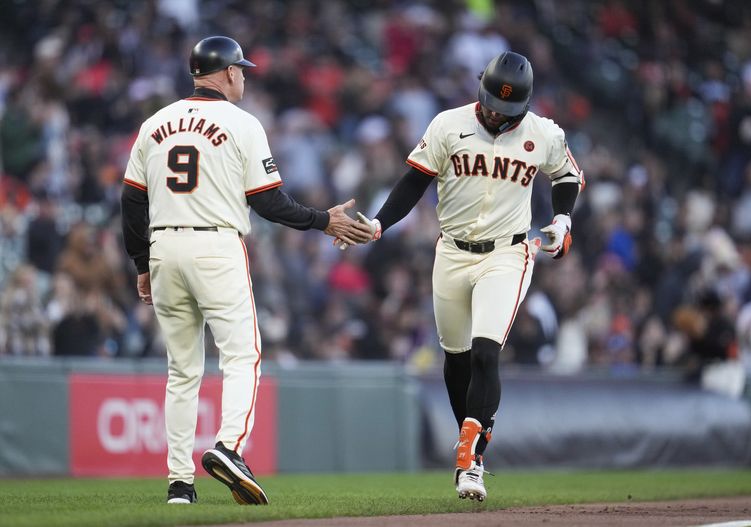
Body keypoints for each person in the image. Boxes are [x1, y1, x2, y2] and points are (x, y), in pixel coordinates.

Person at [120, 36, 371, 505]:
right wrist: (323, 220)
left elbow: (132, 202)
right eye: (242, 70)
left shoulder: (154, 123)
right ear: (229, 73)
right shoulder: (241, 123)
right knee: (241, 357)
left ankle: (179, 484)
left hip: (163, 247)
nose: (245, 76)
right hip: (216, 244)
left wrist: (142, 264)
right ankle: (229, 447)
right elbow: (268, 202)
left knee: (182, 371)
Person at [352, 51, 583, 500]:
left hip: (508, 254)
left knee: (484, 352)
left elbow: (568, 176)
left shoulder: (542, 132)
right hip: (451, 252)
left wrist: (563, 220)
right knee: (456, 359)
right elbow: (414, 181)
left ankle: (471, 461)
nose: (497, 112)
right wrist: (380, 223)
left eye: (508, 107)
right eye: (492, 101)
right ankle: (472, 447)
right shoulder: (447, 124)